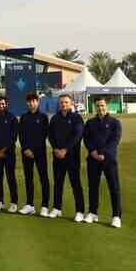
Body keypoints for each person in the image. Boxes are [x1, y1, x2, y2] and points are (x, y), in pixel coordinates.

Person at [83, 97, 122, 228]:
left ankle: (116, 216)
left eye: (102, 105)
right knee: (93, 187)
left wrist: (103, 153)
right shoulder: (90, 122)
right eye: (98, 106)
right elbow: (87, 139)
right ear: (95, 107)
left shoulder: (115, 122)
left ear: (107, 106)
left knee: (114, 188)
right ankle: (93, 213)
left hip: (109, 160)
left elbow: (114, 140)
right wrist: (93, 151)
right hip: (93, 160)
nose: (100, 108)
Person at [48, 94, 85, 222]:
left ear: (71, 103)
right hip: (57, 156)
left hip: (72, 157)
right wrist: (55, 149)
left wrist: (65, 149)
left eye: (66, 102)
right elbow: (50, 135)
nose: (64, 104)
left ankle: (80, 211)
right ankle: (57, 208)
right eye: (62, 102)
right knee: (58, 183)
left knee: (75, 184)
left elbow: (77, 135)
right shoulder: (54, 118)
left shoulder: (77, 118)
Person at [18, 92, 50, 217]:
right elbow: (21, 135)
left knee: (44, 179)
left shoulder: (43, 117)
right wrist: (26, 149)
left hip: (40, 152)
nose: (32, 104)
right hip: (26, 153)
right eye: (29, 102)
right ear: (27, 103)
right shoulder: (24, 117)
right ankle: (29, 205)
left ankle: (45, 206)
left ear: (38, 102)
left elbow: (43, 136)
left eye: (34, 101)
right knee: (28, 178)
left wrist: (34, 150)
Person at [0, 96, 19, 213]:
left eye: (2, 104)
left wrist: (3, 150)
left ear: (6, 104)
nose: (0, 106)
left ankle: (14, 203)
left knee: (11, 178)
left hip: (9, 153)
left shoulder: (12, 118)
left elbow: (13, 137)